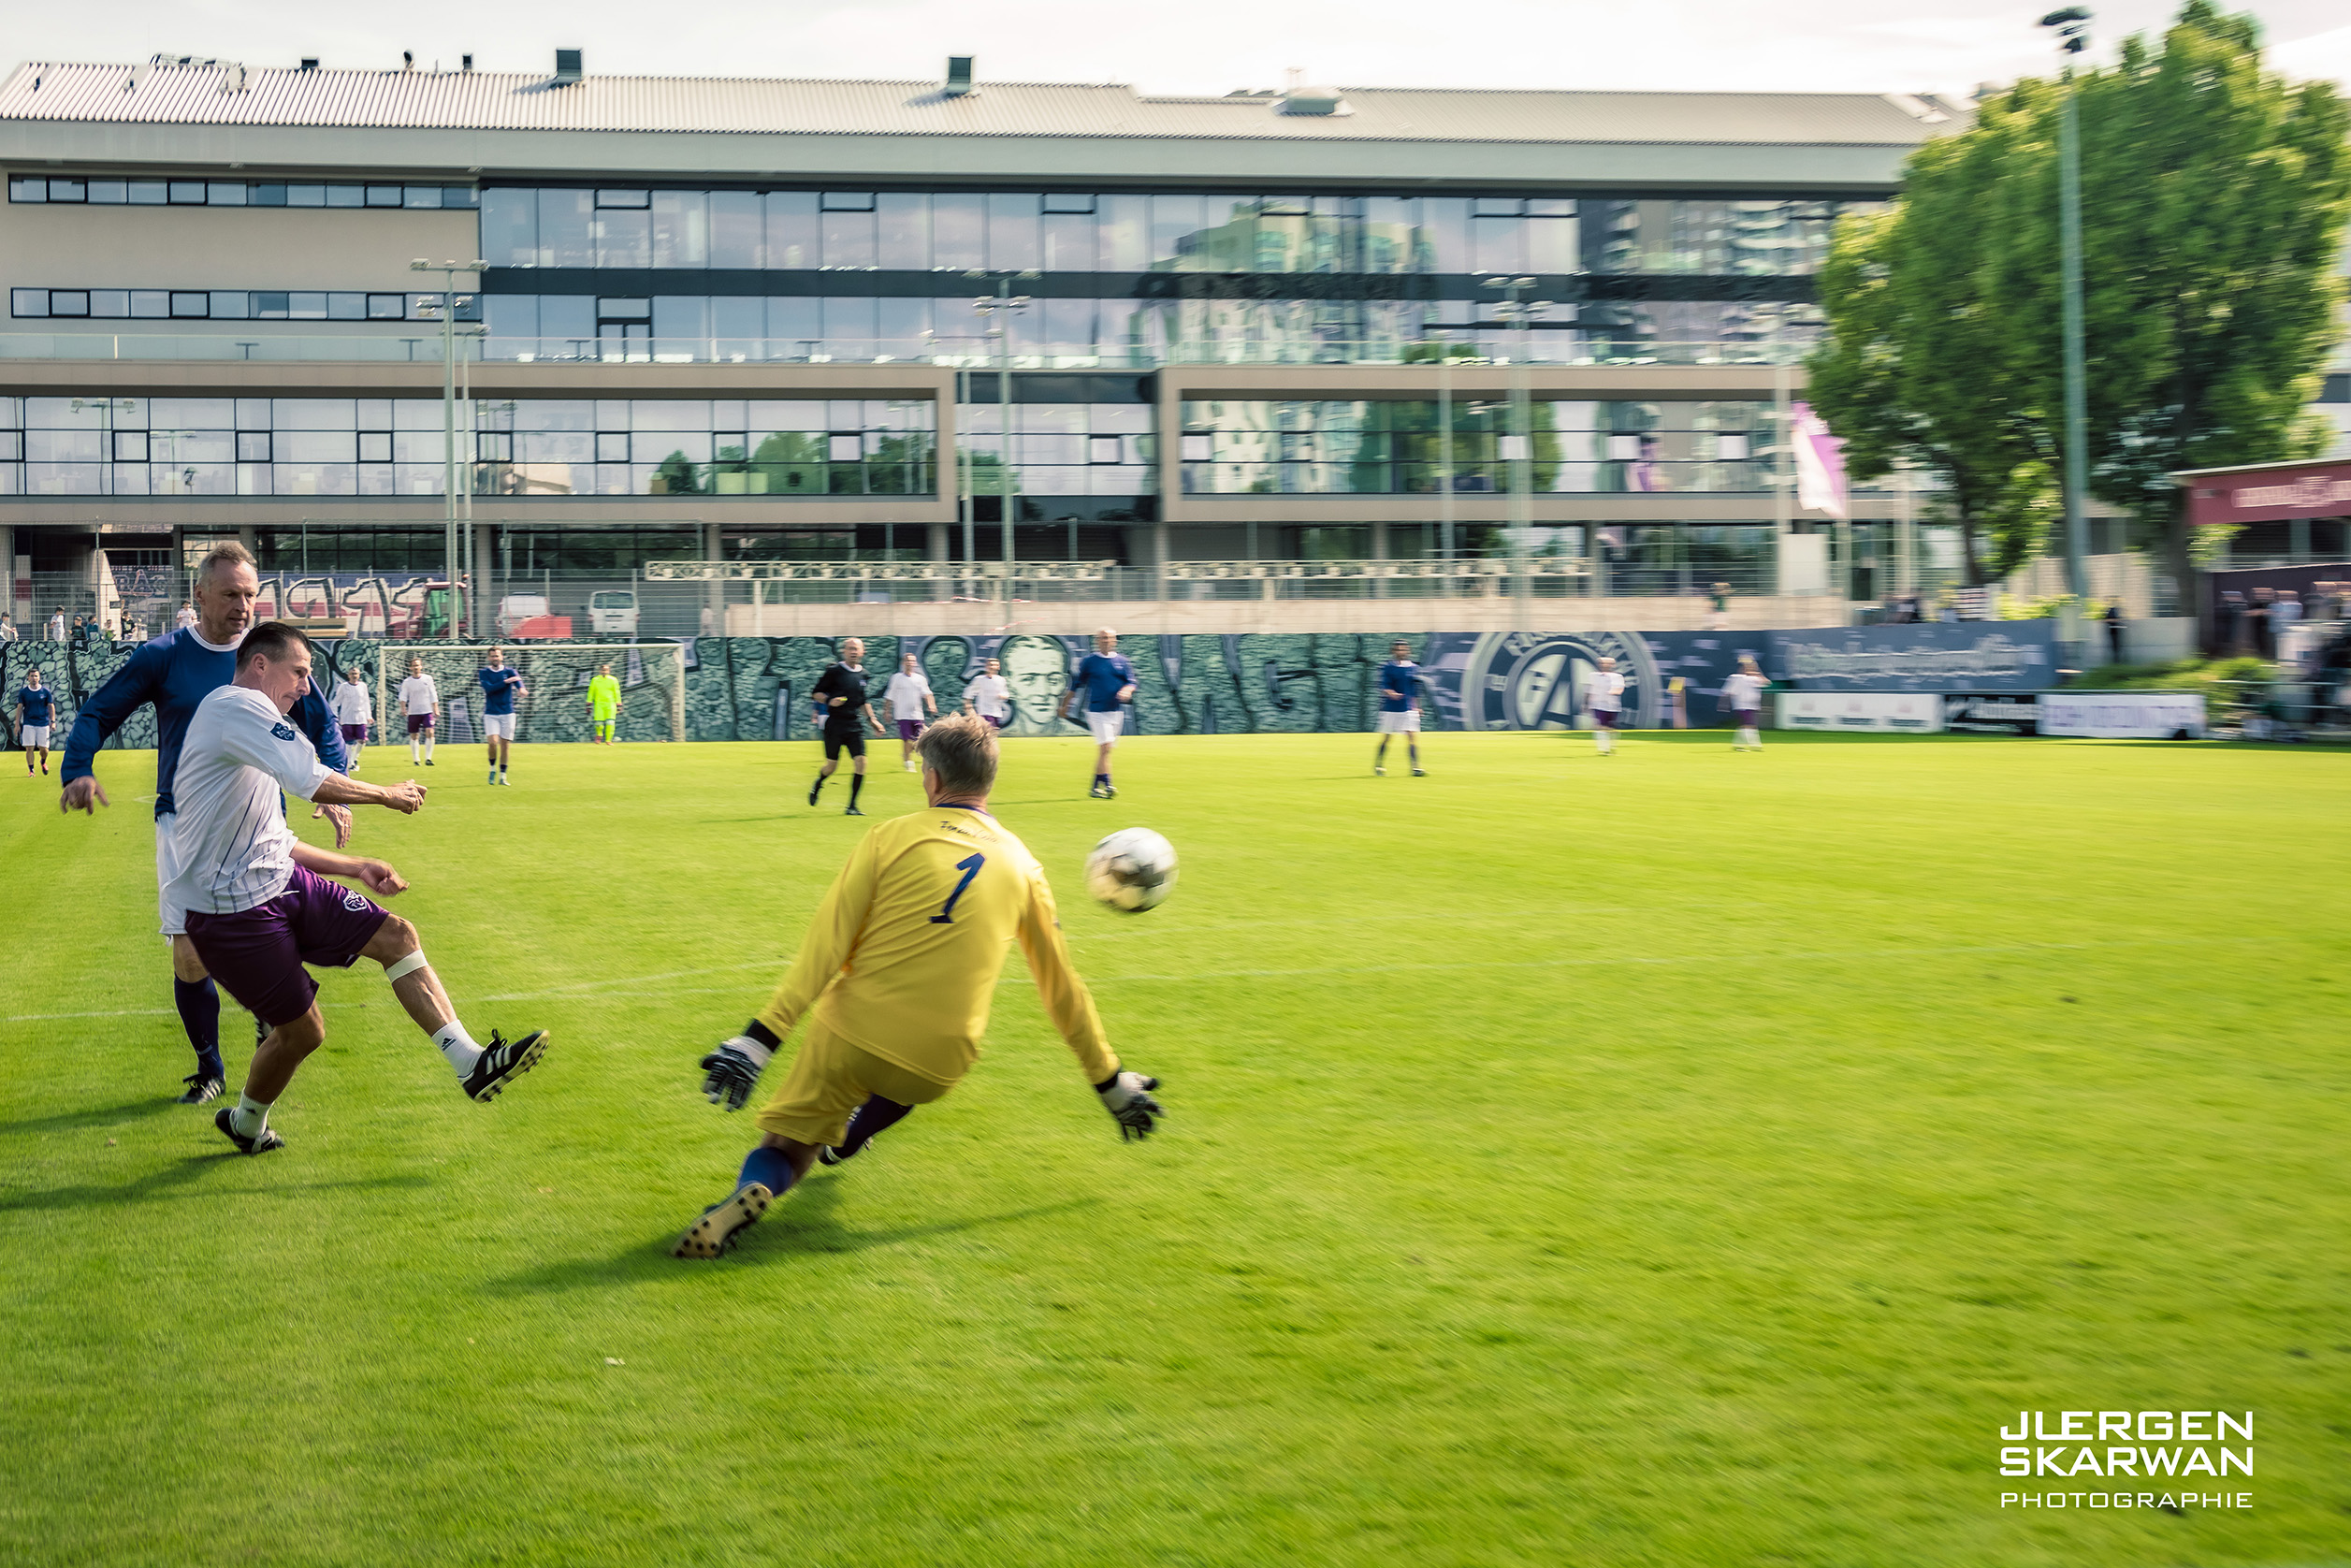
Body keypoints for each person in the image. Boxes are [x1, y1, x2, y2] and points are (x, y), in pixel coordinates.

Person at [677, 714, 1164, 1258]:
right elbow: (1062, 989)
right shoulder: (1025, 866)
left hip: (853, 1034)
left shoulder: (889, 837)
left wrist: (758, 1039)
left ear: (932, 779)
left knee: (788, 1150)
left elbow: (826, 947)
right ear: (990, 780)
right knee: (905, 1075)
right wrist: (1109, 1081)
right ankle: (856, 1132)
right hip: (941, 1060)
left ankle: (758, 1186)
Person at [168, 621, 548, 1156]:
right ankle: (247, 1122)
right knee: (304, 1034)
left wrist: (354, 865)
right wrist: (388, 794)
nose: (305, 686)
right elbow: (312, 778)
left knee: (398, 936)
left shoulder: (250, 730)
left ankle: (470, 1063)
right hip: (232, 915)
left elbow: (273, 840)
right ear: (260, 665)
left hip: (281, 883)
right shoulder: (233, 708)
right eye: (299, 672)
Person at [57, 541, 351, 1107]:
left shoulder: (273, 656)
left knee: (270, 933)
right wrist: (77, 769)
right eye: (231, 594)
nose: (244, 606)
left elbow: (320, 718)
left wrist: (335, 782)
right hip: (185, 830)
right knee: (189, 950)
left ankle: (275, 1018)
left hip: (261, 829)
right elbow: (98, 710)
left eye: (251, 594)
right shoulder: (164, 656)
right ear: (200, 595)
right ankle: (209, 1067)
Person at [806, 636, 886, 816]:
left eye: (856, 649)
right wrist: (829, 700)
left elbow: (863, 701)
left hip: (854, 725)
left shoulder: (863, 674)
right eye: (850, 648)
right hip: (835, 725)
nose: (853, 652)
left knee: (861, 762)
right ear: (844, 651)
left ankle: (852, 806)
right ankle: (819, 783)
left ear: (862, 652)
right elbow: (815, 693)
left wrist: (872, 720)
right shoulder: (834, 671)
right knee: (831, 767)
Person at [1057, 627, 1138, 799]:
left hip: (1116, 712)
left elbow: (1131, 682)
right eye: (1102, 638)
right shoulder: (1090, 661)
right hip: (1096, 711)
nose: (1106, 641)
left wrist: (1127, 690)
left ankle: (1095, 787)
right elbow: (1076, 685)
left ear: (1115, 640)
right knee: (1106, 747)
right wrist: (1065, 706)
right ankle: (1108, 785)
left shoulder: (1122, 661)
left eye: (1109, 638)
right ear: (1097, 641)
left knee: (1106, 751)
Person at [1371, 638, 1426, 777]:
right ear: (1393, 651)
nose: (1401, 652)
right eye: (1398, 649)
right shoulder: (1387, 667)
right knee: (1387, 738)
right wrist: (1392, 693)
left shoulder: (1414, 668)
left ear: (1408, 651)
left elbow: (1415, 690)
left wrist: (1418, 707)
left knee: (1411, 737)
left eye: (1403, 649)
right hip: (1391, 708)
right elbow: (1384, 685)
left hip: (1408, 708)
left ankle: (1415, 768)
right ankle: (1379, 765)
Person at [478, 646, 525, 785]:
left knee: (505, 745)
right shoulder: (484, 673)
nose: (495, 658)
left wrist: (522, 689)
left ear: (502, 657)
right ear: (488, 658)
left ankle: (503, 775)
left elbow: (518, 681)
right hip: (491, 713)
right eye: (492, 656)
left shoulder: (509, 671)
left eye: (497, 656)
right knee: (493, 743)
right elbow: (489, 688)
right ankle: (492, 768)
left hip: (508, 713)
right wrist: (505, 682)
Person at [884, 652, 936, 772]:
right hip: (902, 715)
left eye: (912, 661)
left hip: (917, 714)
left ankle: (906, 754)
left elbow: (927, 694)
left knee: (920, 739)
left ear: (915, 663)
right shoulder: (896, 678)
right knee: (908, 740)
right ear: (903, 662)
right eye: (908, 660)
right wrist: (887, 711)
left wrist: (931, 705)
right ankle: (909, 763)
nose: (910, 663)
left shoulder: (920, 679)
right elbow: (889, 696)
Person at [1720, 656, 1770, 751]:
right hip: (1742, 705)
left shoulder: (1754, 678)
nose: (1749, 668)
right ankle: (1755, 745)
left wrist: (1757, 672)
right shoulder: (1736, 678)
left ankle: (1738, 745)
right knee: (1749, 725)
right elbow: (1728, 691)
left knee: (1745, 726)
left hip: (1752, 706)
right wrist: (1724, 704)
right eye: (1746, 667)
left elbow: (1767, 682)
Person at [397, 656, 439, 765]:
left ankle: (428, 758)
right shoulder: (407, 682)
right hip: (413, 712)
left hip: (427, 711)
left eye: (418, 665)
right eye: (414, 665)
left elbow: (433, 693)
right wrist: (403, 708)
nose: (416, 667)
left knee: (430, 732)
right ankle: (416, 759)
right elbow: (403, 696)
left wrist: (435, 709)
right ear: (410, 668)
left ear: (421, 666)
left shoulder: (428, 679)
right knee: (414, 735)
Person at [14, 667, 56, 776]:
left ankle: (43, 761)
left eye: (36, 676)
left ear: (39, 678)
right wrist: (17, 724)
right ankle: (31, 770)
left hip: (43, 723)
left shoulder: (45, 692)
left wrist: (53, 721)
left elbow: (51, 706)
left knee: (44, 749)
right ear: (28, 678)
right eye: (32, 676)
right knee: (29, 747)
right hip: (29, 723)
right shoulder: (24, 692)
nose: (34, 678)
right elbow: (19, 707)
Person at [329, 665, 370, 773]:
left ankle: (355, 758)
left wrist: (368, 716)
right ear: (348, 675)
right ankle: (350, 763)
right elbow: (336, 702)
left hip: (360, 717)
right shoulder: (343, 687)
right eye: (352, 674)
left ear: (359, 675)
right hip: (347, 718)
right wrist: (335, 715)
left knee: (362, 740)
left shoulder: (363, 686)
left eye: (356, 673)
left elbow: (366, 701)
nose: (354, 676)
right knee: (348, 742)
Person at [1584, 656, 1626, 755]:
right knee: (1600, 726)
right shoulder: (1593, 676)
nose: (1604, 665)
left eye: (1607, 663)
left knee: (1611, 728)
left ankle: (1612, 746)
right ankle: (1603, 749)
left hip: (1612, 705)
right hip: (1598, 704)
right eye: (1602, 663)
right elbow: (1588, 690)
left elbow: (1619, 689)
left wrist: (1612, 692)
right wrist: (1586, 703)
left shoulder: (1617, 677)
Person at [961, 656, 1011, 730]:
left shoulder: (1001, 680)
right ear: (986, 666)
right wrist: (968, 704)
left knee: (994, 732)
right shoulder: (979, 679)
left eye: (995, 665)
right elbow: (969, 692)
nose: (992, 667)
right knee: (988, 732)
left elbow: (1005, 693)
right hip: (984, 712)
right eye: (990, 665)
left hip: (996, 712)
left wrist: (1003, 696)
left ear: (998, 667)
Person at [587, 662, 623, 744]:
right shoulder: (595, 680)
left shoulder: (613, 680)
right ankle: (599, 735)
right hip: (599, 703)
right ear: (600, 671)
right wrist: (588, 703)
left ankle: (608, 740)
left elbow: (616, 692)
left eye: (606, 670)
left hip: (610, 703)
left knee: (610, 722)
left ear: (609, 671)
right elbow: (591, 692)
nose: (604, 672)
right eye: (603, 670)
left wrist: (619, 704)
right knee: (599, 723)